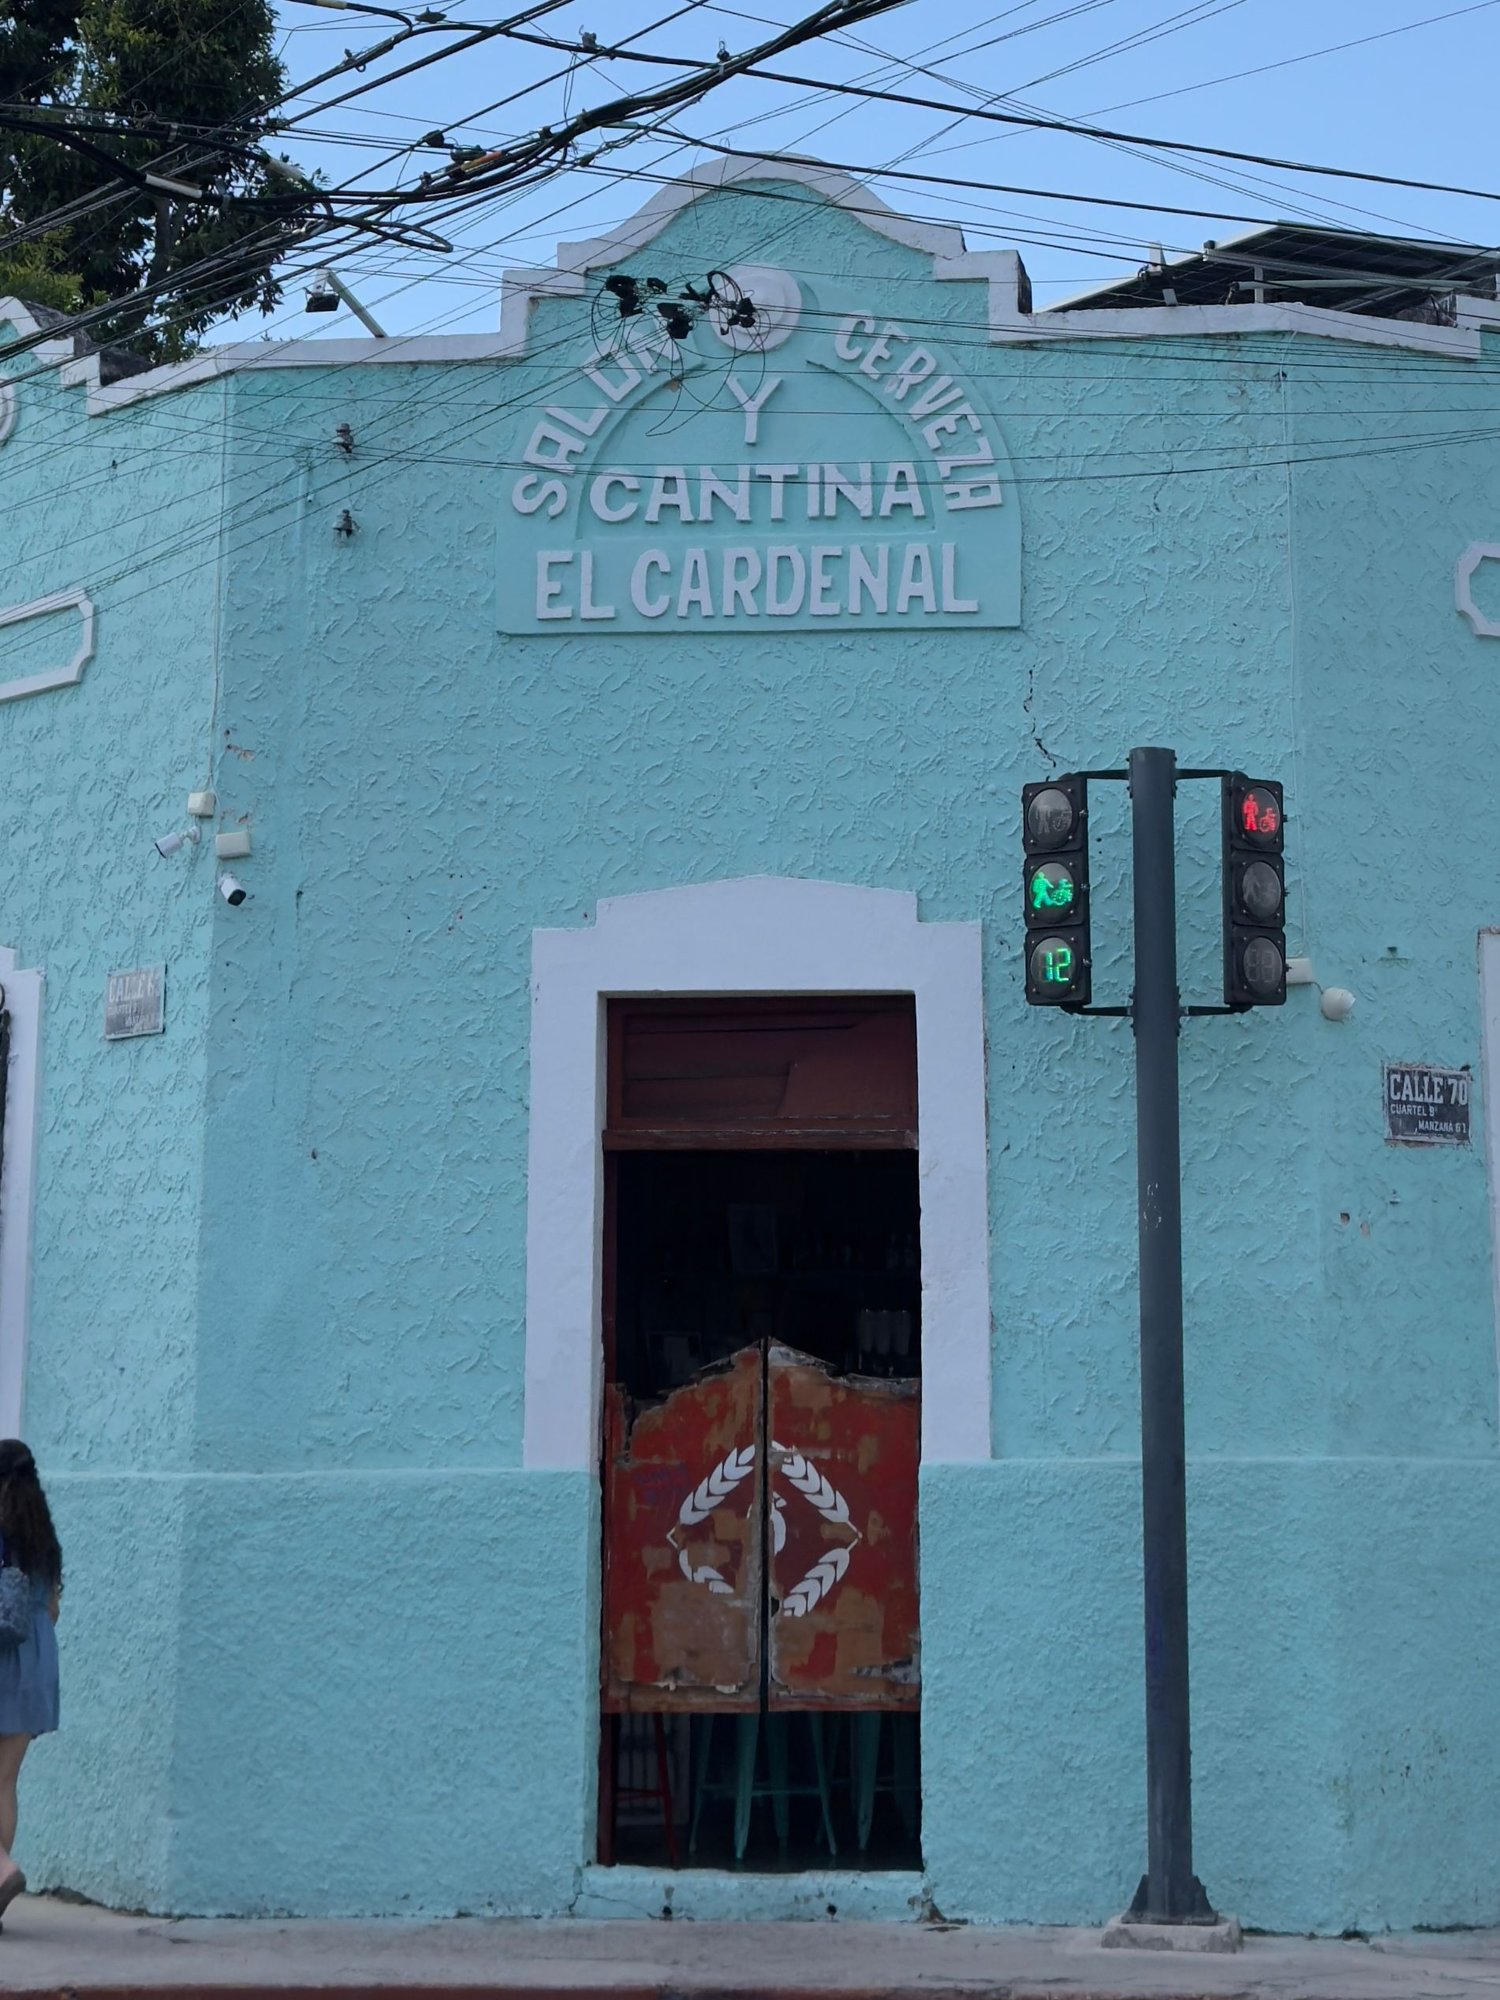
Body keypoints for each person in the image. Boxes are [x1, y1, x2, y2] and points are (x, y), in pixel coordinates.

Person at [0, 1442, 61, 1924]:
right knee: (4, 1781)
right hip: (38, 1665)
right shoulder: (44, 1537)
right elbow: (52, 1610)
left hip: (2, 1658)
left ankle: (1, 1868)